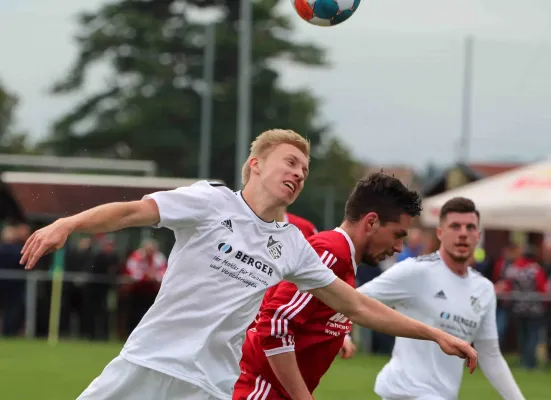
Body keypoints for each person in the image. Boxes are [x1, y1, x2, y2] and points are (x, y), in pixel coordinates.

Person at [20, 129, 477, 400]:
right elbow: (131, 211)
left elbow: (357, 307)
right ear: (254, 165)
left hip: (210, 386)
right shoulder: (210, 201)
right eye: (291, 162)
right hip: (149, 362)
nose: (299, 173)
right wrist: (68, 223)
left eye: (305, 170)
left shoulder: (294, 245)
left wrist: (435, 333)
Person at [233, 172, 420, 400]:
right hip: (259, 388)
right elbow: (275, 323)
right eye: (397, 235)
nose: (400, 247)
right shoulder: (331, 252)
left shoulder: (341, 257)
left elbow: (361, 309)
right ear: (371, 222)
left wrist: (438, 336)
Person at [358, 197, 525, 400]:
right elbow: (355, 300)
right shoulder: (416, 271)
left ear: (477, 236)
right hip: (405, 392)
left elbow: (490, 354)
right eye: (455, 226)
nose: (463, 233)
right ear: (440, 233)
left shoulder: (484, 289)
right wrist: (343, 335)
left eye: (470, 227)